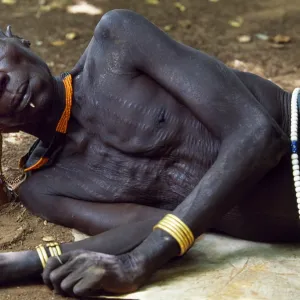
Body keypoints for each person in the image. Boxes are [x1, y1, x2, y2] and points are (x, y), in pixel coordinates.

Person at [0, 8, 297, 298]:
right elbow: (152, 228)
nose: (1, 81)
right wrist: (22, 264)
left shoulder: (118, 40)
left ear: (18, 40)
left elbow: (259, 136)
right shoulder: (44, 187)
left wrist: (137, 262)